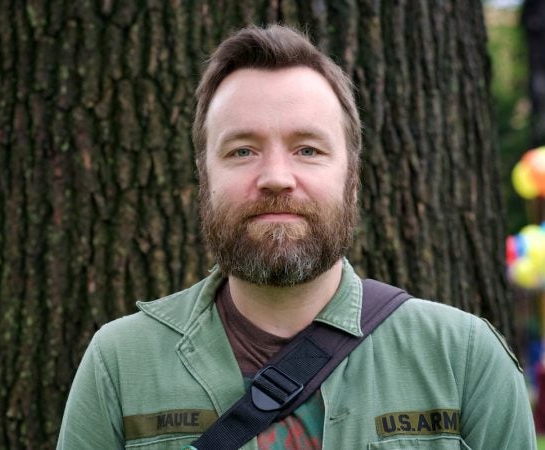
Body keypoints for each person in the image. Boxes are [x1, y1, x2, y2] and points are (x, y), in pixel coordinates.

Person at [57, 25, 536, 449]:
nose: (276, 177)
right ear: (204, 175)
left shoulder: (464, 359)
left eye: (307, 149)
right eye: (242, 151)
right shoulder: (119, 363)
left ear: (351, 176)